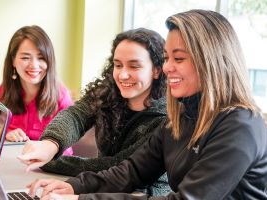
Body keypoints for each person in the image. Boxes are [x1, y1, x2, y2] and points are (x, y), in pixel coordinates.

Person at [27, 9, 267, 200]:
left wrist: (82, 198)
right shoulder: (181, 116)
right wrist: (72, 187)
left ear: (212, 62)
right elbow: (132, 171)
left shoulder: (240, 125)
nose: (167, 67)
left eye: (179, 58)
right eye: (166, 58)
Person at [18, 28, 171, 196]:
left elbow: (119, 167)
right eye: (118, 65)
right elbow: (75, 116)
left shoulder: (166, 117)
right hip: (99, 189)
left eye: (134, 66)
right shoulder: (107, 93)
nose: (123, 74)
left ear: (157, 70)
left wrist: (52, 162)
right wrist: (50, 144)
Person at [0, 25, 73, 156]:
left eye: (41, 57)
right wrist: (5, 136)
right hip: (10, 168)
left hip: (49, 171)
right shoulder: (0, 94)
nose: (34, 65)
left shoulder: (62, 98)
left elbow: (67, 150)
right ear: (13, 61)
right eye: (25, 58)